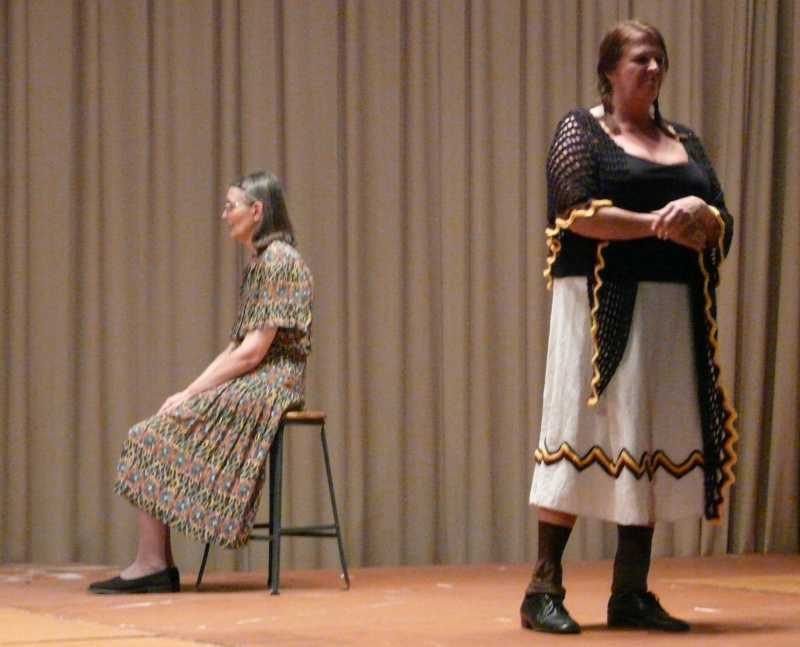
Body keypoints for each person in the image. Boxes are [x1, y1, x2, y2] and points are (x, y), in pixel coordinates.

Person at [520, 20, 738, 633]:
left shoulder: (685, 140)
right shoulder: (581, 131)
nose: (654, 68)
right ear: (610, 70)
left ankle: (631, 592)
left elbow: (720, 220)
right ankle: (542, 589)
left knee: (648, 439)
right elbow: (574, 212)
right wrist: (658, 224)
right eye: (641, 59)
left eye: (660, 59)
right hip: (598, 306)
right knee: (579, 430)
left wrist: (703, 214)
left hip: (671, 313)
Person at [89, 171, 313, 594]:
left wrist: (193, 394)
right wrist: (189, 391)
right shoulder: (260, 263)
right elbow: (236, 348)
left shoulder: (279, 262)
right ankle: (155, 562)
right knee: (152, 431)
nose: (224, 214)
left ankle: (153, 564)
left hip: (272, 383)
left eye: (231, 206)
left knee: (148, 436)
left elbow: (253, 353)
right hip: (256, 377)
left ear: (257, 210)